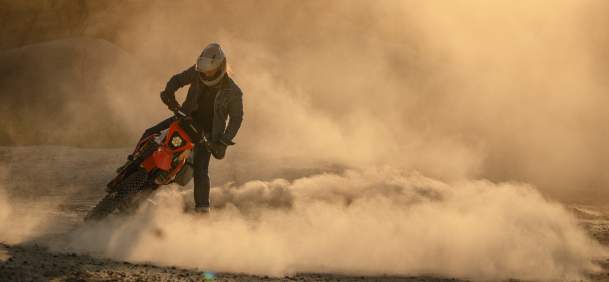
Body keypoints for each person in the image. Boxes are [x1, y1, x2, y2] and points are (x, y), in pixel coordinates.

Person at [142, 43, 244, 213]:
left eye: (209, 69)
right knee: (150, 134)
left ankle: (203, 210)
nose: (205, 72)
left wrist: (224, 140)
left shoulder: (233, 91)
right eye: (202, 67)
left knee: (200, 170)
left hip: (207, 135)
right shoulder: (197, 72)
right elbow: (178, 79)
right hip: (185, 119)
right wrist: (169, 92)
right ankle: (131, 167)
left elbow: (236, 118)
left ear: (220, 66)